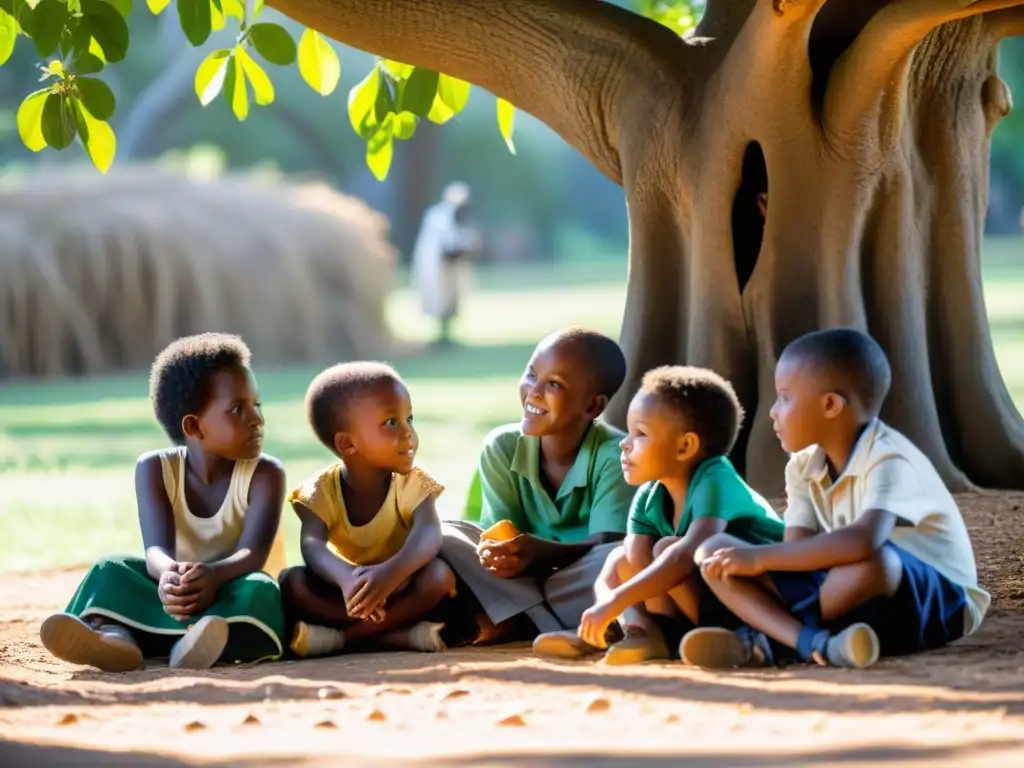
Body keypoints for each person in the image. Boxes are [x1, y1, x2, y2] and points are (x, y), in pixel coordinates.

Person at [682, 328, 990, 669]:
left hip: (939, 601)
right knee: (714, 551)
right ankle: (819, 644)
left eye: (784, 398)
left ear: (830, 405)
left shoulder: (890, 458)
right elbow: (794, 552)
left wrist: (757, 560)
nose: (773, 411)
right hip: (846, 596)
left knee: (878, 564)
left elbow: (863, 541)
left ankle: (771, 642)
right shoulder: (803, 466)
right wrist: (755, 561)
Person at [39, 333, 288, 671]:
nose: (257, 418)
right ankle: (117, 639)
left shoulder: (265, 474)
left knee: (261, 589)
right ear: (194, 426)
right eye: (237, 409)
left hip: (232, 588)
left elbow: (253, 555)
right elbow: (154, 549)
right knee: (109, 568)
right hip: (172, 594)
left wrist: (214, 576)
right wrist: (170, 575)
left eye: (256, 405)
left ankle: (189, 642)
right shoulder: (154, 468)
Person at [533, 366, 784, 663]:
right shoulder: (651, 494)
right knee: (621, 558)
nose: (624, 444)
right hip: (703, 600)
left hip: (766, 598)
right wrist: (608, 605)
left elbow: (683, 558)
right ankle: (638, 633)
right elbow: (630, 562)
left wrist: (616, 600)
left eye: (640, 434)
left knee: (669, 549)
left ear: (685, 446)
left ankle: (696, 637)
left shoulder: (715, 478)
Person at [440, 327, 636, 643]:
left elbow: (609, 542)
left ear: (592, 407)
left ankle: (522, 619)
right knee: (443, 535)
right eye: (532, 374)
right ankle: (552, 620)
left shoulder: (616, 455)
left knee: (624, 556)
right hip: (522, 581)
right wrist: (500, 554)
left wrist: (542, 552)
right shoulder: (501, 446)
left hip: (581, 577)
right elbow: (498, 535)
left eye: (554, 384)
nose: (533, 392)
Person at [279, 362, 455, 657]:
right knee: (291, 581)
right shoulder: (320, 491)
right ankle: (396, 636)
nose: (409, 434)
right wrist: (348, 579)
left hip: (402, 584)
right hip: (351, 594)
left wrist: (390, 574)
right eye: (391, 423)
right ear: (347, 443)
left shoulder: (413, 483)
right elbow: (312, 545)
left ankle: (343, 640)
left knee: (439, 576)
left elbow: (427, 533)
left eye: (409, 419)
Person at [411, 182, 482, 346]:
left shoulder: (462, 217)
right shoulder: (440, 216)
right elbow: (447, 243)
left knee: (452, 299)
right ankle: (441, 335)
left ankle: (447, 334)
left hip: (452, 266)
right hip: (438, 265)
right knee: (439, 299)